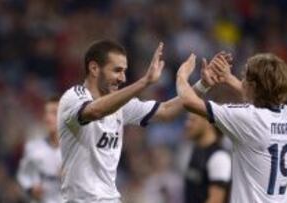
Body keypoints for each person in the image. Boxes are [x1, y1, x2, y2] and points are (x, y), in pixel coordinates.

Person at [57, 39, 226, 203]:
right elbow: (95, 111)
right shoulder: (73, 98)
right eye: (117, 70)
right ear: (94, 68)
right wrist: (144, 82)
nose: (123, 78)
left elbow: (166, 111)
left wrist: (202, 85)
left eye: (124, 71)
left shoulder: (119, 105)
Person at [176, 53, 287, 203]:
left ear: (253, 86)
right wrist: (228, 78)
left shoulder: (248, 119)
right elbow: (261, 98)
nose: (242, 81)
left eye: (245, 78)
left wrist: (182, 75)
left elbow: (188, 101)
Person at [17, 96, 63, 203]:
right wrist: (31, 189)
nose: (48, 118)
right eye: (46, 113)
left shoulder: (76, 150)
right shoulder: (33, 148)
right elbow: (23, 175)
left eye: (54, 113)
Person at [184, 112, 231, 203]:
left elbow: (216, 200)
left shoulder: (219, 157)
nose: (187, 124)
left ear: (208, 122)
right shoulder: (196, 151)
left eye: (193, 120)